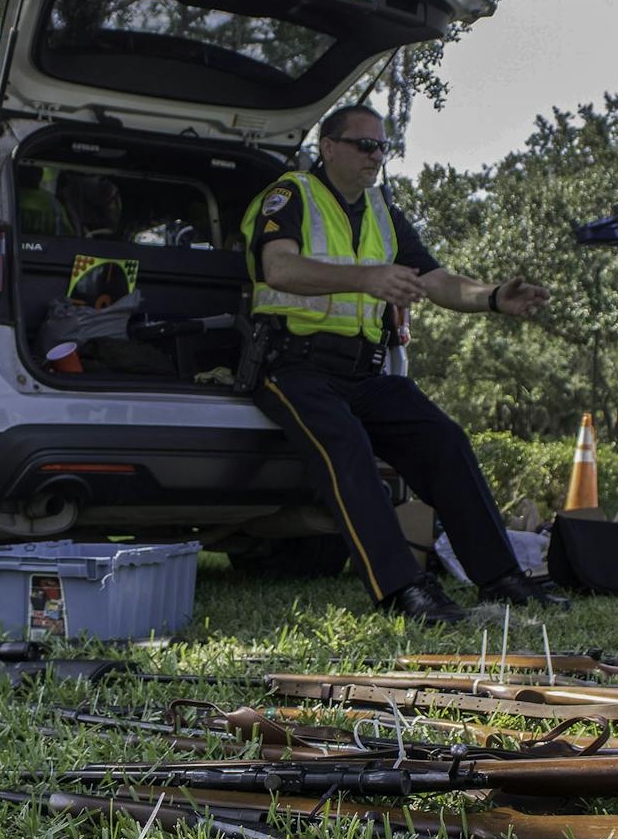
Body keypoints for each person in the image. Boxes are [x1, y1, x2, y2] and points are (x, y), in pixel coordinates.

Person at [240, 103, 565, 624]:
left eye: (382, 146)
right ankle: (403, 591)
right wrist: (367, 278)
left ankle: (500, 578)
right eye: (365, 145)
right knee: (348, 447)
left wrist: (493, 296)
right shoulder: (290, 194)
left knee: (446, 441)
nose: (376, 156)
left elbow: (436, 280)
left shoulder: (382, 212)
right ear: (328, 147)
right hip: (293, 367)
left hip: (363, 375)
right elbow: (278, 268)